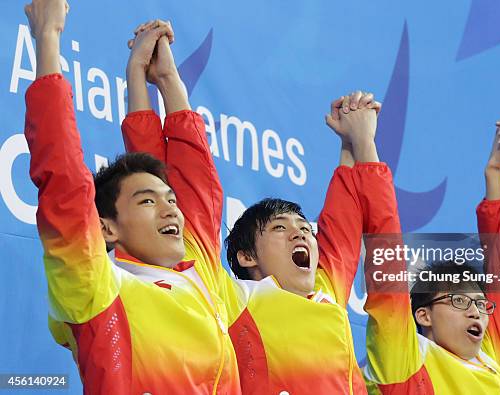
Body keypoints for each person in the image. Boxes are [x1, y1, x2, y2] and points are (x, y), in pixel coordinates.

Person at [122, 21, 399, 394]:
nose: (301, 232)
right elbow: (174, 187)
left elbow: (356, 214)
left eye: (304, 227)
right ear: (247, 257)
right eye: (279, 228)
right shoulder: (231, 298)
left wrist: (359, 140)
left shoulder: (326, 291)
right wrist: (162, 81)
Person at [23, 2, 239, 393]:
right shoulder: (99, 291)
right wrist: (48, 38)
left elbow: (194, 183)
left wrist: (160, 79)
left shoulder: (199, 275)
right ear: (105, 228)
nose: (171, 207)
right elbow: (63, 182)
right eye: (147, 202)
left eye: (170, 200)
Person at [363, 120, 500, 393]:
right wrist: (363, 145)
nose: (475, 312)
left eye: (482, 305)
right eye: (459, 301)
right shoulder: (406, 360)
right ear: (423, 315)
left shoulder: (488, 360)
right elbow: (386, 257)